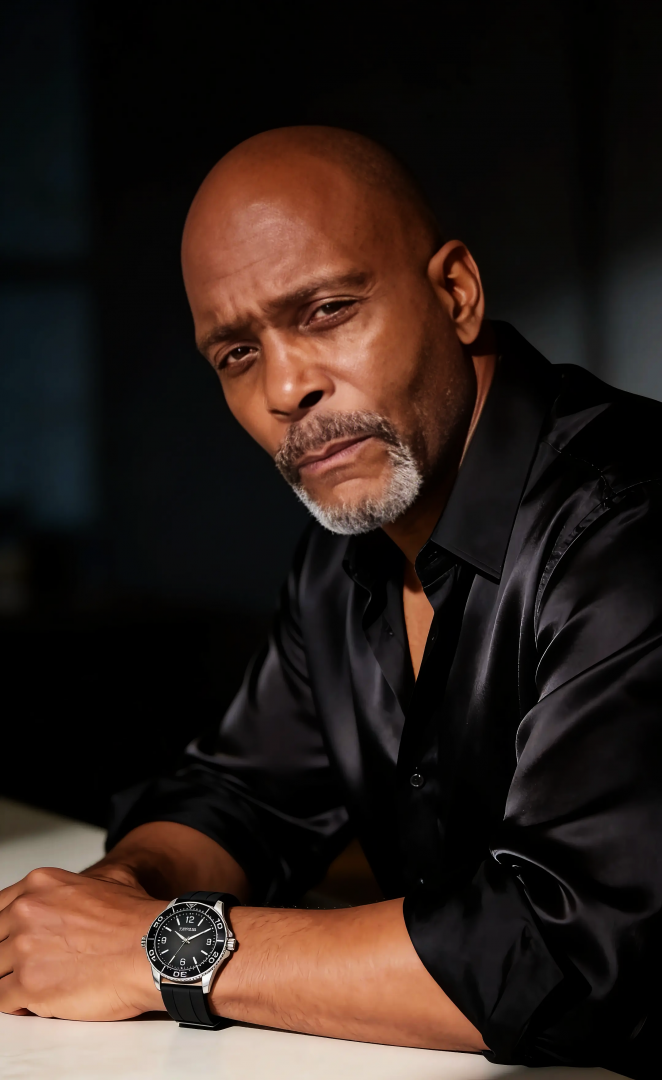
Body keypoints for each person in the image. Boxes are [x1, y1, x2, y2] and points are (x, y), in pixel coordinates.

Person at [1, 126, 660, 1078]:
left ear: (456, 293)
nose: (285, 387)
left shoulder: (629, 523)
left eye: (327, 310)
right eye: (237, 353)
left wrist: (157, 950)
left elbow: (565, 948)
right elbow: (242, 797)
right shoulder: (350, 545)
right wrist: (109, 899)